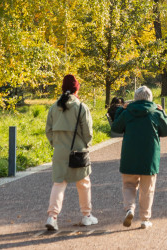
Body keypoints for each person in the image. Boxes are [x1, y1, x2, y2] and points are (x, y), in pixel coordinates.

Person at [111, 86, 167, 230]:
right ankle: (145, 219)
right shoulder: (156, 113)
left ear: (135, 98)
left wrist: (121, 109)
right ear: (150, 98)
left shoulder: (128, 112)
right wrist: (163, 112)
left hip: (129, 156)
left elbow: (116, 128)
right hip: (149, 158)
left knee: (129, 185)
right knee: (147, 189)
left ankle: (129, 209)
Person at [45, 74, 97, 231]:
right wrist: (86, 144)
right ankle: (87, 216)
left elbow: (48, 130)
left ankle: (52, 217)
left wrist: (57, 144)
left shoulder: (54, 107)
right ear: (77, 90)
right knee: (84, 183)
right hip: (78, 151)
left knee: (59, 183)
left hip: (60, 151)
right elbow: (87, 132)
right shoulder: (81, 107)